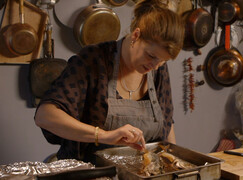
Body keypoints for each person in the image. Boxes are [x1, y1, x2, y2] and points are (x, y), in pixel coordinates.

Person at [34, 0, 185, 162]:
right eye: (151, 56)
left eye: (163, 61)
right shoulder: (93, 60)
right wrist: (104, 135)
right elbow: (45, 115)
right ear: (136, 35)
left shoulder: (157, 69)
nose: (155, 66)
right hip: (88, 173)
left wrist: (173, 164)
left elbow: (167, 124)